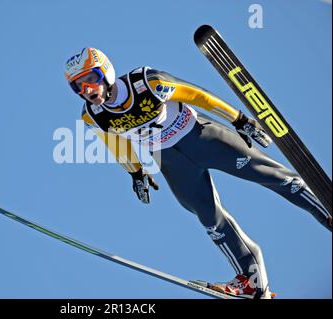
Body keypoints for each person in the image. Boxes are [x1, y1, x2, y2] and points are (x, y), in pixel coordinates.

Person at [64, 47, 332, 299]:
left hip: (202, 138)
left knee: (268, 174)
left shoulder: (147, 83)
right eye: (78, 85)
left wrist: (238, 119)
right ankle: (253, 282)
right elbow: (116, 142)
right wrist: (135, 173)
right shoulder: (93, 116)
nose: (87, 89)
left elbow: (197, 96)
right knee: (208, 218)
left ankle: (325, 209)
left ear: (106, 72)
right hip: (171, 161)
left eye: (91, 78)